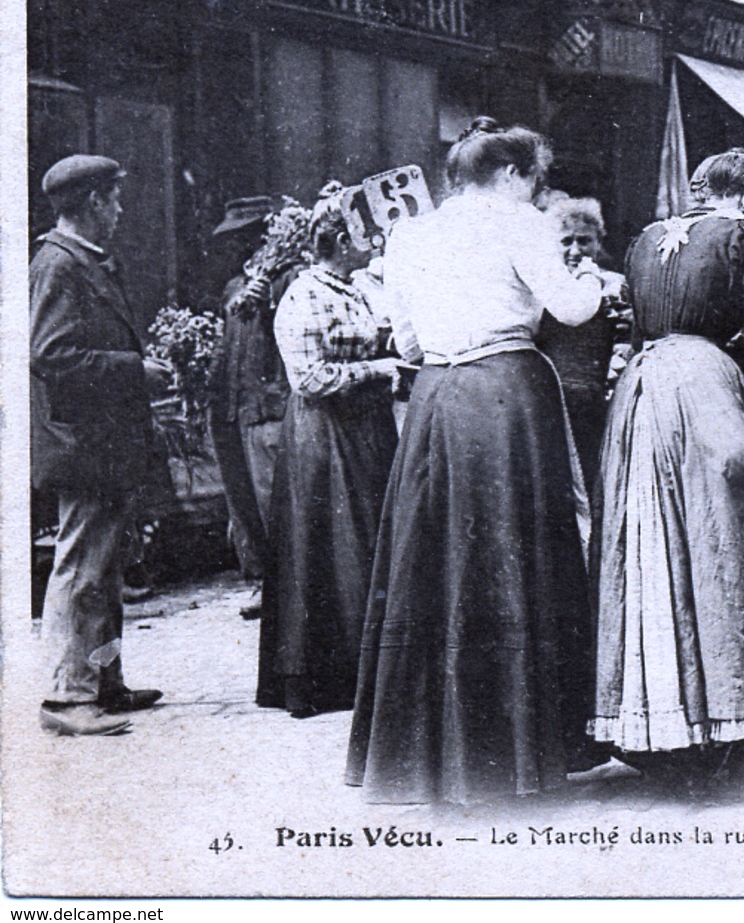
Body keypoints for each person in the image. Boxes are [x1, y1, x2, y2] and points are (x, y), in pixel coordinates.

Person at [347, 117, 609, 803]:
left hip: (437, 396)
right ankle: (524, 750)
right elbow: (574, 309)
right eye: (536, 180)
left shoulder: (410, 234)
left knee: (434, 565)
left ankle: (434, 758)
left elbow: (403, 337)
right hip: (505, 395)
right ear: (515, 175)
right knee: (516, 557)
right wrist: (595, 282)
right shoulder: (521, 221)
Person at [593, 151, 744, 799]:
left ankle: (668, 738)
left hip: (640, 394)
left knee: (652, 557)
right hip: (702, 394)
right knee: (733, 551)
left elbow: (640, 324)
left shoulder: (644, 240)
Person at [30, 155, 171, 736]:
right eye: (113, 199)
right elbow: (50, 355)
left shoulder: (81, 262)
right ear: (91, 202)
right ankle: (67, 699)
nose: (119, 210)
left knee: (104, 570)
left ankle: (103, 681)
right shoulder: (59, 266)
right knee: (83, 570)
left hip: (102, 442)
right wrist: (136, 370)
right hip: (83, 443)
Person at [256, 193, 399, 719]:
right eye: (365, 237)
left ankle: (373, 672)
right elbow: (310, 378)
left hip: (367, 430)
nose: (373, 244)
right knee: (335, 545)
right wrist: (378, 370)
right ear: (341, 243)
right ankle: (326, 679)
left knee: (366, 539)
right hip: (326, 436)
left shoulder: (357, 288)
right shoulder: (304, 294)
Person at [207, 197, 296, 618]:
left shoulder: (289, 279)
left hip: (269, 405)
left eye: (243, 238)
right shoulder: (233, 287)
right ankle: (262, 578)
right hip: (235, 406)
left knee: (273, 497)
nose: (236, 248)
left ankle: (287, 583)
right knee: (245, 502)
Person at [535, 196, 627, 488]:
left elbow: (626, 340)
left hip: (595, 404)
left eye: (584, 241)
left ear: (599, 241)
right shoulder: (542, 287)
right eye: (566, 241)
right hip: (547, 404)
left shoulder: (615, 286)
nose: (575, 250)